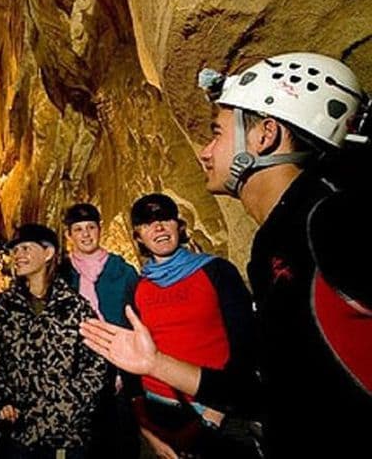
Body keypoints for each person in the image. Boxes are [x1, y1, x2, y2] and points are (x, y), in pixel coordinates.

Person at [82, 52, 372, 457]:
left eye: (216, 133)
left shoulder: (334, 220)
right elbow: (273, 393)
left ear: (264, 135)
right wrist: (155, 364)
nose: (204, 151)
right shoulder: (274, 241)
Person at [84, 194, 260, 458]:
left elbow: (246, 346)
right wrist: (146, 427)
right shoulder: (138, 286)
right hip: (157, 413)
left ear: (179, 226)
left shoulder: (217, 271)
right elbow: (133, 354)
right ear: (139, 237)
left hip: (216, 410)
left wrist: (213, 417)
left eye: (165, 218)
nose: (158, 227)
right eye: (147, 223)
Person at [0, 223, 110, 458]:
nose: (18, 256)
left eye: (25, 249)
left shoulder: (75, 307)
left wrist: (68, 406)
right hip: (19, 433)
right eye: (15, 251)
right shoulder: (5, 306)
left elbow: (96, 364)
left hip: (67, 435)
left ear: (48, 253)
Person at [58, 203, 140, 459]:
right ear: (69, 235)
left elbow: (138, 319)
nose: (85, 234)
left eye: (90, 227)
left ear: (99, 230)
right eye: (78, 229)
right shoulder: (60, 274)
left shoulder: (124, 272)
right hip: (74, 374)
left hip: (118, 371)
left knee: (120, 442)